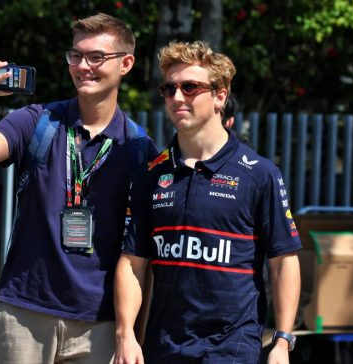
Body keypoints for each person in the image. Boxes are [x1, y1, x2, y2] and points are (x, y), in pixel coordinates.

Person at [0, 13, 158, 364]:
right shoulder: (37, 121)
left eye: (96, 57)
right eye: (75, 56)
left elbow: (141, 255)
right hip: (25, 314)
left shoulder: (139, 149)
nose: (82, 66)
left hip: (99, 322)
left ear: (126, 64)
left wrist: (134, 333)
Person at [114, 40, 302, 364]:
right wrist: (126, 335)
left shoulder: (260, 174)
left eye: (189, 87)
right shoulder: (148, 176)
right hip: (164, 349)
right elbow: (132, 263)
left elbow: (283, 260)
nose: (176, 97)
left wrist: (282, 342)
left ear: (220, 95)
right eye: (168, 88)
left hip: (232, 349)